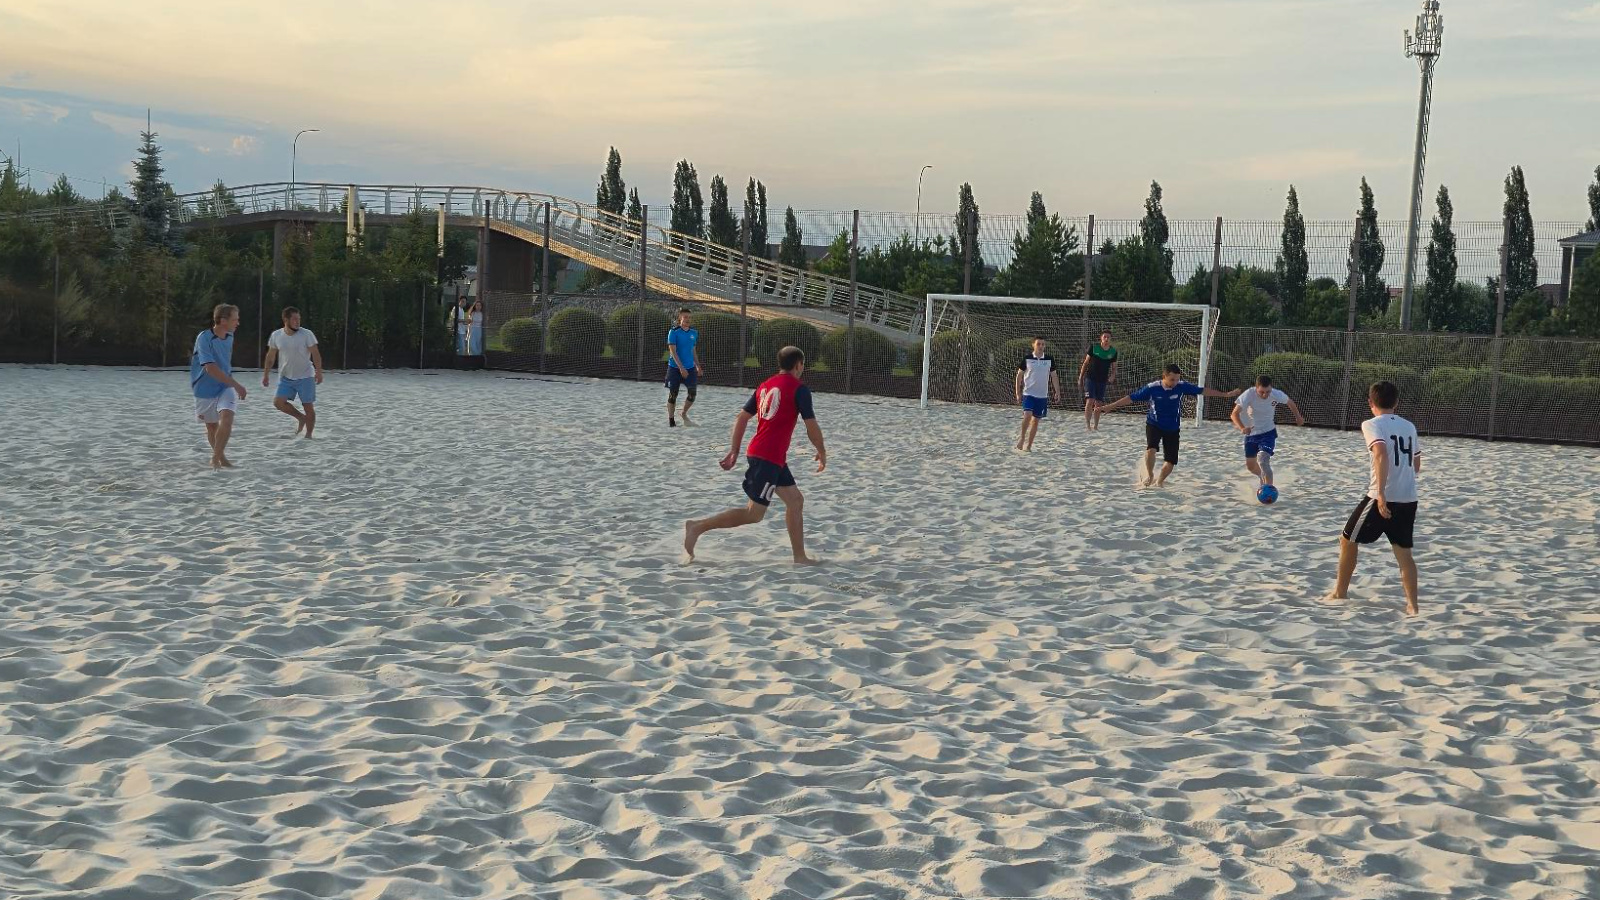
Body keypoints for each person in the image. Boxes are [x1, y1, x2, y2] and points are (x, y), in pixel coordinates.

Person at [684, 345, 826, 565]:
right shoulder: (799, 389)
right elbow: (811, 425)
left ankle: (800, 557)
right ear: (799, 365)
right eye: (803, 365)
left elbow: (741, 418)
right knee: (754, 514)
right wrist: (821, 450)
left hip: (769, 455)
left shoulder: (765, 385)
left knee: (795, 501)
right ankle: (697, 527)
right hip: (767, 457)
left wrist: (735, 450)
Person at [1330, 381, 1422, 615]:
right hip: (1408, 498)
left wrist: (1381, 494)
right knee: (1404, 554)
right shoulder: (1409, 426)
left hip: (1381, 497)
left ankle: (1340, 593)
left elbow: (1380, 453)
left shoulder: (1371, 424)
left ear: (1371, 402)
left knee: (1347, 540)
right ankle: (1412, 606)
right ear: (1396, 402)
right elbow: (1416, 464)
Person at [1098, 363, 1239, 487]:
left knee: (1170, 462)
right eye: (1172, 379)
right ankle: (1150, 474)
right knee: (1151, 449)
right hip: (1154, 424)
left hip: (1172, 427)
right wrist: (1110, 406)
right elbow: (1130, 398)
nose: (1175, 382)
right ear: (1164, 377)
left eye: (1177, 379)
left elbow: (1202, 390)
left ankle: (1159, 481)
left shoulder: (1181, 386)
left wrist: (1225, 395)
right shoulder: (1152, 388)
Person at [190, 303, 248, 469]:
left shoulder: (230, 336)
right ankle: (221, 458)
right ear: (223, 320)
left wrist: (232, 384)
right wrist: (237, 385)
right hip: (203, 388)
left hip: (225, 386)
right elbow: (210, 368)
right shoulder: (204, 338)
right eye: (235, 319)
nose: (238, 323)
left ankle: (215, 458)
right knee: (211, 426)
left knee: (227, 417)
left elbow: (223, 364)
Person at [1229, 374, 1305, 487]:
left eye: (1268, 392)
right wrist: (1242, 428)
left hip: (1268, 433)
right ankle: (1261, 475)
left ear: (1271, 388)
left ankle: (1268, 489)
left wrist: (1298, 417)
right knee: (1250, 466)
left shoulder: (1276, 394)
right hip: (1251, 434)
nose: (1265, 395)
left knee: (1263, 460)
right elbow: (1234, 414)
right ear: (1256, 388)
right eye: (1262, 392)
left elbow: (1290, 403)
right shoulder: (1249, 394)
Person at [262, 306, 324, 438]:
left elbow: (316, 354)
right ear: (286, 320)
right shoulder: (276, 335)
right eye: (294, 319)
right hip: (286, 377)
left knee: (308, 406)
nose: (298, 322)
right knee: (278, 402)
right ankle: (301, 418)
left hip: (306, 376)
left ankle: (308, 435)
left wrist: (319, 372)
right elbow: (270, 356)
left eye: (299, 319)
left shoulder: (306, 334)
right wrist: (266, 374)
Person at [1013, 337, 1060, 452]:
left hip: (1042, 396)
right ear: (1033, 345)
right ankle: (1022, 438)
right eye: (1038, 344)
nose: (1041, 346)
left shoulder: (1049, 359)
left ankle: (1029, 446)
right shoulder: (1027, 359)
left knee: (1035, 421)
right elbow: (1019, 376)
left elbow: (1054, 376)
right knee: (1027, 415)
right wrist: (1018, 393)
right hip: (1028, 393)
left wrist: (1057, 391)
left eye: (1043, 344)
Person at [666, 308, 701, 427]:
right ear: (680, 318)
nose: (687, 319)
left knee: (692, 393)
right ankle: (671, 420)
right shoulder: (673, 332)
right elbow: (673, 352)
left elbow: (693, 350)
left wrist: (698, 366)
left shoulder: (693, 333)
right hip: (675, 368)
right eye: (685, 317)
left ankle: (683, 413)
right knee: (673, 394)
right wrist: (681, 368)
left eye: (689, 317)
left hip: (690, 368)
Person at [1077, 330, 1118, 431]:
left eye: (1108, 337)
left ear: (1110, 339)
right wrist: (1080, 377)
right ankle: (1088, 425)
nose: (1106, 339)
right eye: (1104, 337)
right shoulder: (1094, 348)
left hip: (1102, 380)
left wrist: (1112, 376)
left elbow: (1114, 368)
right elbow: (1085, 363)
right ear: (1101, 338)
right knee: (1090, 400)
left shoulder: (1113, 352)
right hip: (1090, 378)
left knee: (1099, 403)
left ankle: (1095, 426)